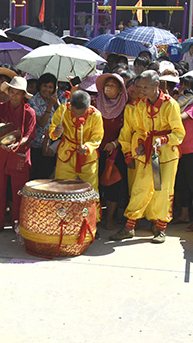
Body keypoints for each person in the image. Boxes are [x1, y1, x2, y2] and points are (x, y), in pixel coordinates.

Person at [110, 70, 185, 243]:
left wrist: (163, 140)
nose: (141, 90)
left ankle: (160, 228)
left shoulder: (170, 104)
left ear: (157, 85)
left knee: (164, 190)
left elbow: (179, 133)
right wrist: (142, 144)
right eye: (139, 87)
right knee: (140, 188)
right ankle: (129, 227)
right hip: (147, 154)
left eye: (145, 87)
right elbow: (141, 130)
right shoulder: (141, 105)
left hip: (167, 155)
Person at [0, 76, 36, 235]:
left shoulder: (29, 112)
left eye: (18, 93)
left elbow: (29, 135)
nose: (14, 95)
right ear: (8, 92)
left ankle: (18, 224)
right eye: (12, 92)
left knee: (19, 192)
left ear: (23, 95)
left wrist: (17, 145)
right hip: (1, 152)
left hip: (19, 153)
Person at [49, 90, 104, 192]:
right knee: (61, 187)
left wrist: (87, 147)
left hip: (88, 158)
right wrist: (56, 132)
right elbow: (52, 127)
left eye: (81, 114)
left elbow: (97, 136)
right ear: (71, 106)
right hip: (66, 154)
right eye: (74, 113)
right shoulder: (63, 110)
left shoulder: (95, 115)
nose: (77, 116)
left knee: (90, 189)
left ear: (87, 107)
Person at [95, 73, 128, 230]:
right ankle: (94, 218)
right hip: (95, 151)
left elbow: (128, 130)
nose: (108, 88)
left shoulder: (126, 106)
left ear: (120, 90)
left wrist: (115, 143)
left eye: (112, 85)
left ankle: (109, 219)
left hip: (115, 152)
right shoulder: (95, 103)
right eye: (106, 85)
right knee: (96, 185)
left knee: (112, 185)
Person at [28, 73, 63, 180]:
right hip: (37, 146)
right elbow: (41, 123)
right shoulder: (33, 101)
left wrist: (56, 103)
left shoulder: (52, 99)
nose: (47, 89)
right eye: (45, 86)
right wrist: (50, 106)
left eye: (50, 87)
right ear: (40, 86)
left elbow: (63, 117)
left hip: (51, 146)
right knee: (37, 178)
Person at [174, 75, 193, 229]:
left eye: (186, 87)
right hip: (179, 149)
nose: (183, 90)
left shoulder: (191, 104)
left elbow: (181, 118)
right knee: (182, 183)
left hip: (191, 150)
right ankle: (184, 215)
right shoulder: (180, 103)